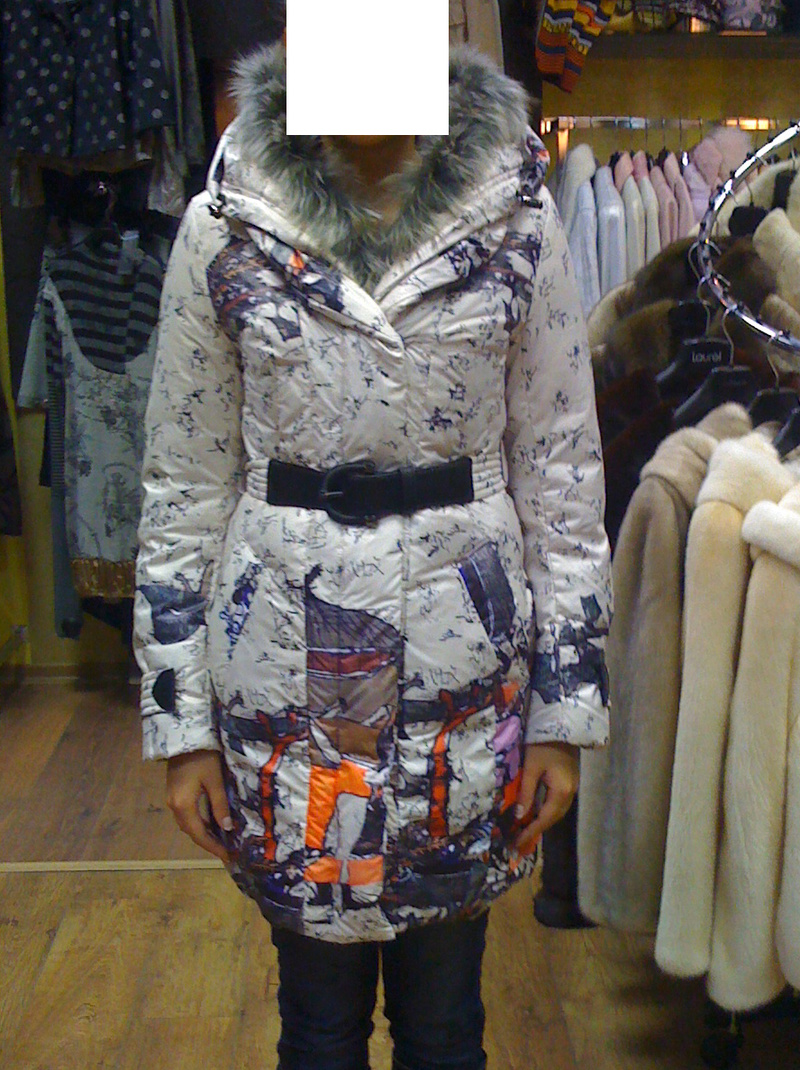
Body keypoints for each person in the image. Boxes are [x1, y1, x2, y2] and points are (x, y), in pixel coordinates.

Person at [134, 20, 612, 1070]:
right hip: (283, 674)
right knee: (316, 1026)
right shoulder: (226, 223)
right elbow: (182, 487)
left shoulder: (516, 216)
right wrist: (183, 729)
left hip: (462, 675)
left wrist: (562, 715)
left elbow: (563, 478)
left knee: (444, 1023)